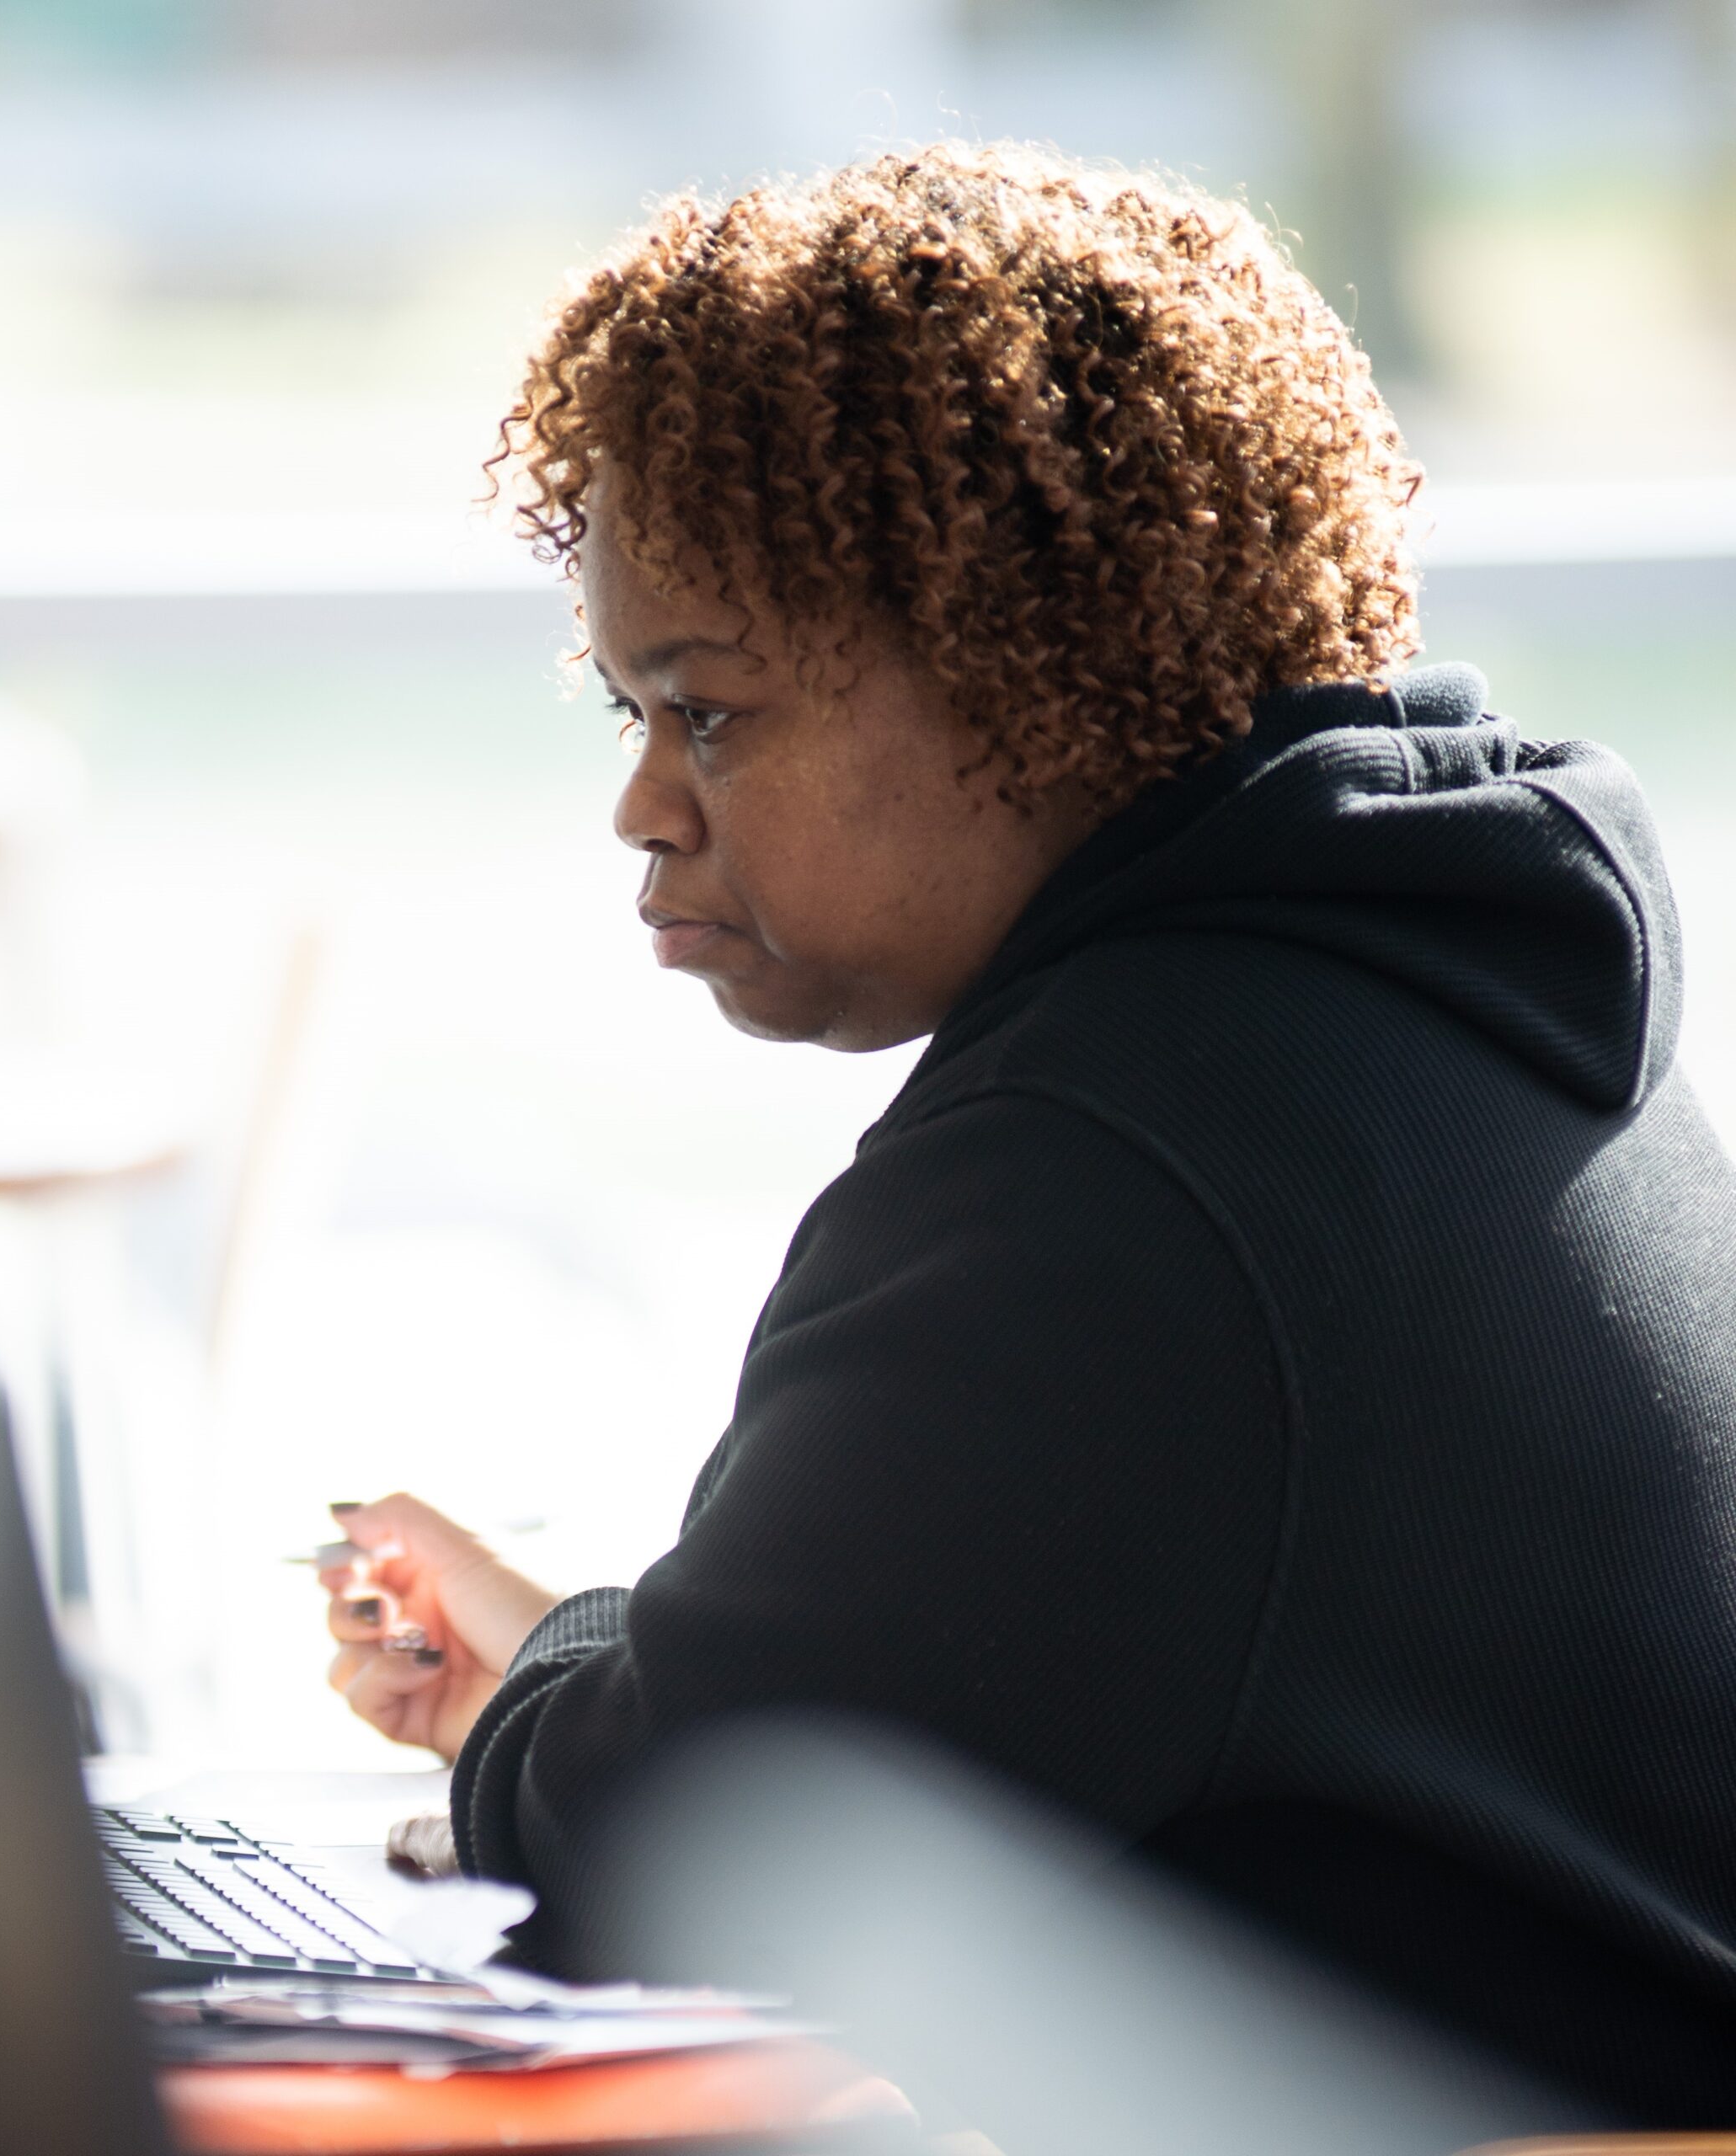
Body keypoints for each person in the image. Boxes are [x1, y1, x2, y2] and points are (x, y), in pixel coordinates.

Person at [318, 142, 1736, 2116]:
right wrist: (567, 1656)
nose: (643, 805)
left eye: (706, 711)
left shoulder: (1118, 1160)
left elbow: (687, 1856)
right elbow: (961, 1659)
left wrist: (535, 1729)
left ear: (1025, 676)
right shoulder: (1426, 1005)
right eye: (626, 711)